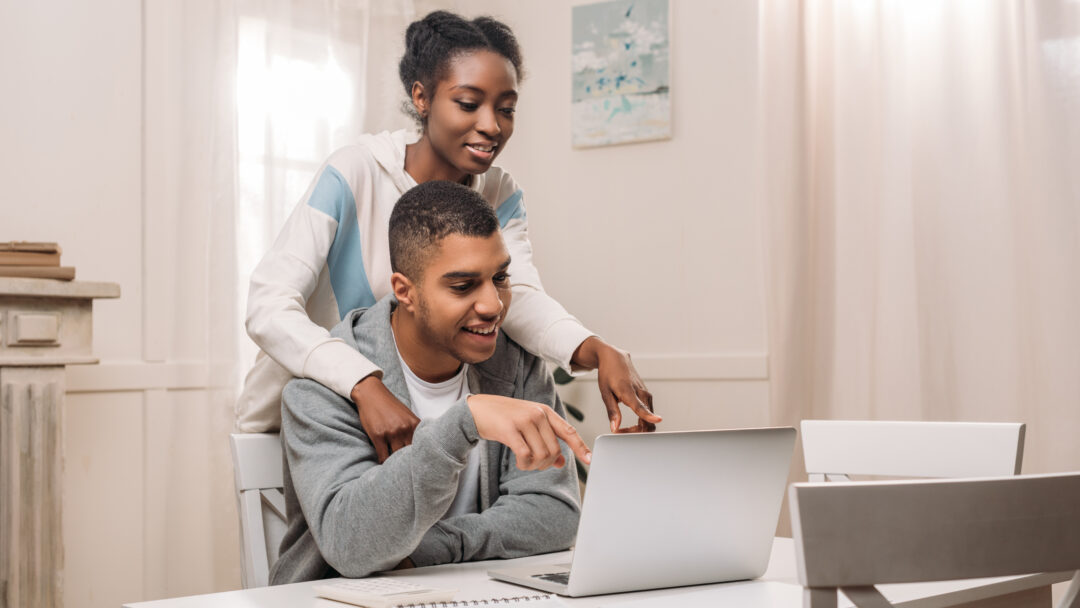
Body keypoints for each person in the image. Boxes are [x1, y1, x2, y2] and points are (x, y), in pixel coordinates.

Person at [238, 10, 661, 461]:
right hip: (308, 420)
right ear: (422, 97)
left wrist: (592, 348)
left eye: (506, 108)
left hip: (409, 424)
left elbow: (516, 292)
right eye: (468, 103)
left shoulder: (500, 192)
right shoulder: (354, 171)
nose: (492, 125)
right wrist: (362, 381)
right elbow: (269, 305)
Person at [269, 181, 588, 583]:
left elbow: (553, 515)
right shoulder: (322, 385)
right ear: (405, 291)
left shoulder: (517, 364)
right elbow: (350, 545)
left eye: (500, 277)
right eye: (463, 286)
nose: (493, 305)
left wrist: (437, 547)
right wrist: (463, 423)